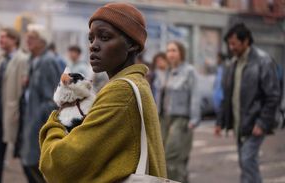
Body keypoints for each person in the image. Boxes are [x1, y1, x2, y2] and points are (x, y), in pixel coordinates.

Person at [39, 2, 167, 183]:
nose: (93, 46)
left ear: (132, 45)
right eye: (91, 39)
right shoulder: (136, 84)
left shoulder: (121, 91)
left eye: (105, 37)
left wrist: (58, 119)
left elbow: (58, 165)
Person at [215, 23, 280, 183]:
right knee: (245, 164)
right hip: (240, 124)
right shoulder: (232, 63)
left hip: (255, 123)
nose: (231, 48)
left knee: (247, 160)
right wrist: (220, 122)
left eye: (234, 44)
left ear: (246, 42)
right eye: (229, 44)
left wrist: (263, 123)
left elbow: (273, 95)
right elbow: (227, 96)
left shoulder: (263, 61)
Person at [20, 24, 60, 183]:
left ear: (43, 41)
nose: (27, 40)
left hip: (39, 124)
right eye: (27, 37)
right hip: (29, 121)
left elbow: (53, 99)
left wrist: (38, 119)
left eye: (32, 38)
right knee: (28, 164)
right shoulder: (33, 60)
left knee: (37, 167)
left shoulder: (47, 61)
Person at [0, 28, 29, 183]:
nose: (0, 40)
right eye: (0, 37)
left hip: (13, 116)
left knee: (26, 160)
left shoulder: (22, 59)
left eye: (4, 37)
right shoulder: (2, 60)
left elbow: (24, 91)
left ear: (14, 40)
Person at [162, 41, 201, 183]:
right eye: (168, 50)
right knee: (175, 160)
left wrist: (193, 120)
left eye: (174, 50)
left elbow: (195, 95)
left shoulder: (189, 71)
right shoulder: (167, 71)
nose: (170, 54)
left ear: (181, 53)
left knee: (171, 156)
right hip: (165, 119)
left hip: (181, 119)